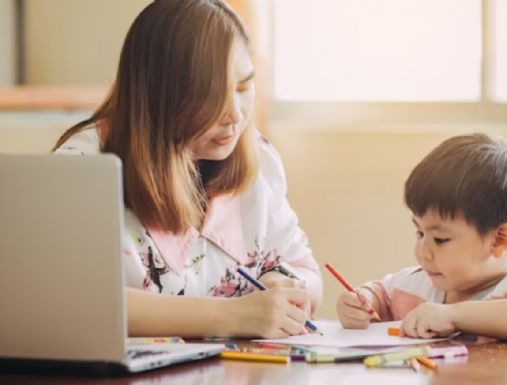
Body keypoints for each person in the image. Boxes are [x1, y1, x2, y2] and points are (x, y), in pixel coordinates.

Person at [53, 0, 322, 339]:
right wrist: (233, 316)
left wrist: (283, 288)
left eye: (243, 87)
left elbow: (307, 272)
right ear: (159, 93)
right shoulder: (83, 169)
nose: (235, 116)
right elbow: (71, 302)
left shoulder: (260, 158)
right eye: (211, 95)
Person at [336, 133, 507, 342]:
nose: (423, 251)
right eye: (420, 233)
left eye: (440, 239)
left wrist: (453, 315)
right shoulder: (416, 286)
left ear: (499, 240)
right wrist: (362, 302)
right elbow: (380, 295)